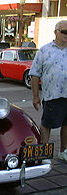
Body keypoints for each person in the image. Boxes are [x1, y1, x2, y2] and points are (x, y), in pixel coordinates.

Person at [29, 20, 67, 161]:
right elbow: (35, 74)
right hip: (52, 96)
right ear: (56, 32)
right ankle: (43, 152)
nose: (66, 35)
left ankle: (63, 151)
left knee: (66, 125)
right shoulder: (45, 50)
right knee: (47, 124)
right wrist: (35, 96)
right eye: (64, 32)